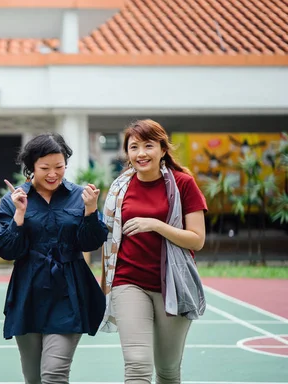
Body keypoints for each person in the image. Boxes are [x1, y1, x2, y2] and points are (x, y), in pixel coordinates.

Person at [0, 133, 108, 384]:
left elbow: (92, 242)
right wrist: (19, 216)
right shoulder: (13, 200)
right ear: (31, 167)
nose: (53, 174)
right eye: (45, 168)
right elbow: (5, 249)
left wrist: (90, 211)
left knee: (54, 373)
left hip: (69, 291)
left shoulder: (80, 196)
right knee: (33, 378)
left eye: (59, 167)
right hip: (28, 291)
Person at [100, 119, 208, 384]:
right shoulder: (119, 188)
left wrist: (156, 225)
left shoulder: (183, 184)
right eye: (133, 147)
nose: (141, 153)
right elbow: (106, 239)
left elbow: (196, 240)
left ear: (162, 149)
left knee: (168, 370)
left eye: (148, 145)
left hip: (173, 284)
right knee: (137, 365)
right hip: (128, 281)